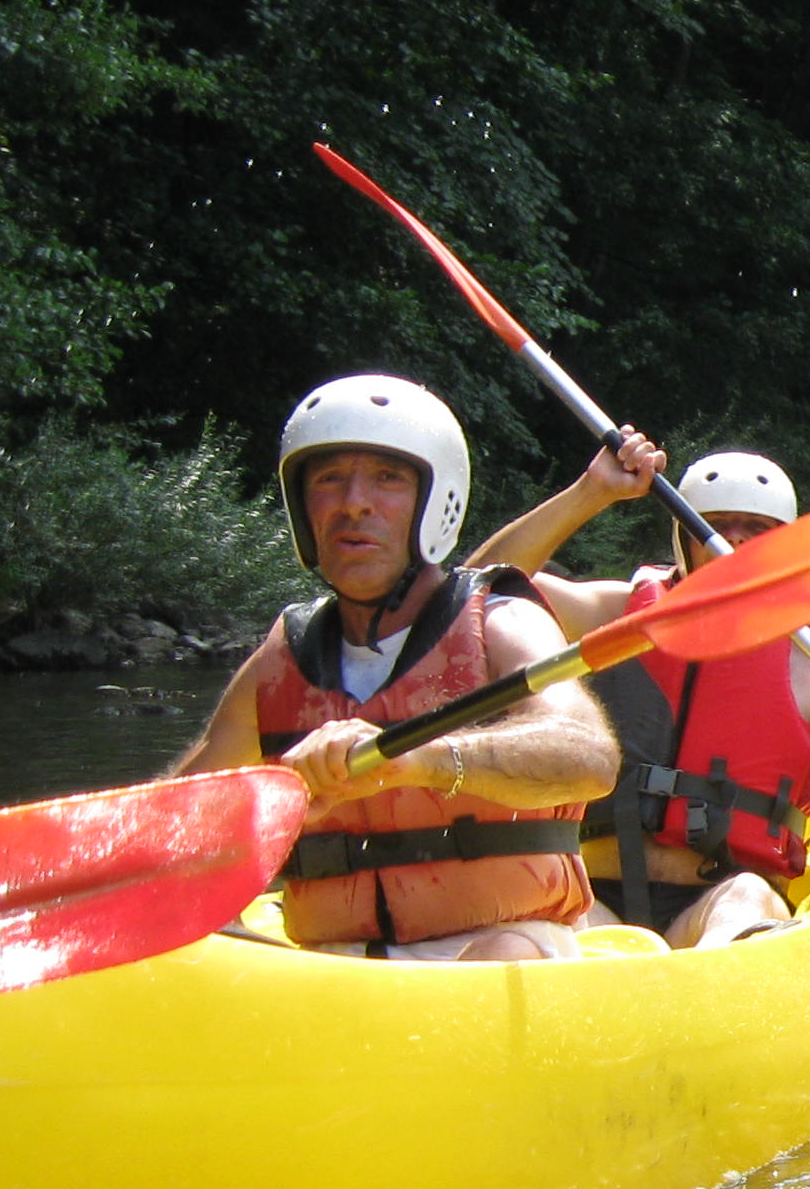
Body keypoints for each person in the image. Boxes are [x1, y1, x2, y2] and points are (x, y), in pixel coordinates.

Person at [173, 376, 616, 960]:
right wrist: (277, 802)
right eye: (329, 479)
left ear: (436, 503)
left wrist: (417, 760)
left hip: (499, 944)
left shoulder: (501, 621)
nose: (354, 502)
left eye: (388, 478)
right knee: (190, 935)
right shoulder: (284, 657)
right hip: (333, 968)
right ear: (303, 508)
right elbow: (182, 818)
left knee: (503, 953)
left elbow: (588, 758)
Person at [467, 435, 810, 944]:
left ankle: (728, 981)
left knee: (747, 896)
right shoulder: (611, 616)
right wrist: (591, 492)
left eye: (754, 530)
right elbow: (475, 589)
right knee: (535, 924)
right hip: (589, 898)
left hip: (719, 902)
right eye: (712, 527)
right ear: (682, 539)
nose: (730, 543)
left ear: (785, 544)